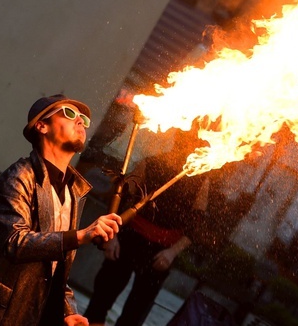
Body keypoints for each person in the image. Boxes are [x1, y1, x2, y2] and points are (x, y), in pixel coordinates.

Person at [0, 94, 123, 326]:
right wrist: (81, 235)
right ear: (42, 126)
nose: (80, 121)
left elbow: (54, 266)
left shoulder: (73, 190)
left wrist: (67, 310)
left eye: (83, 119)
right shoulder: (19, 177)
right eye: (69, 113)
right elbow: (15, 242)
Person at [85, 128, 209, 326]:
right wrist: (112, 237)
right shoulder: (150, 163)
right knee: (100, 302)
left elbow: (196, 225)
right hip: (128, 239)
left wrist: (172, 252)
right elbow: (120, 198)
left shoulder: (201, 180)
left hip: (160, 252)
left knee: (134, 316)